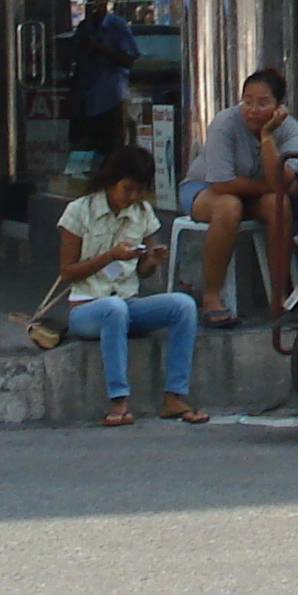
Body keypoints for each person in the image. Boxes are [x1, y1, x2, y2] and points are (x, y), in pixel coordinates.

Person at [57, 143, 205, 428]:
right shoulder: (79, 211)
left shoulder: (142, 212)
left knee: (183, 305)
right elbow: (67, 272)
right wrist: (110, 256)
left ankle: (174, 396)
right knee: (113, 309)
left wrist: (152, 260)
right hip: (88, 308)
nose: (132, 196)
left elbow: (144, 272)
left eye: (139, 190)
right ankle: (118, 401)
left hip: (129, 302)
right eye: (127, 188)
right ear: (112, 181)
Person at [181, 68, 298, 326]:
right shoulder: (224, 123)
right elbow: (223, 185)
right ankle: (212, 297)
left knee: (278, 204)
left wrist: (267, 135)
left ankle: (279, 296)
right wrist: (274, 186)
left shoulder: (291, 130)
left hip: (250, 195)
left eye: (262, 103)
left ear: (279, 106)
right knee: (229, 206)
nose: (252, 109)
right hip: (203, 190)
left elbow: (281, 183)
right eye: (247, 101)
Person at [67, 0, 138, 158]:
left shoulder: (117, 26)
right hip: (86, 100)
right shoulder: (84, 27)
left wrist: (101, 48)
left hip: (110, 99)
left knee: (112, 151)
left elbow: (129, 59)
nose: (94, 2)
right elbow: (74, 58)